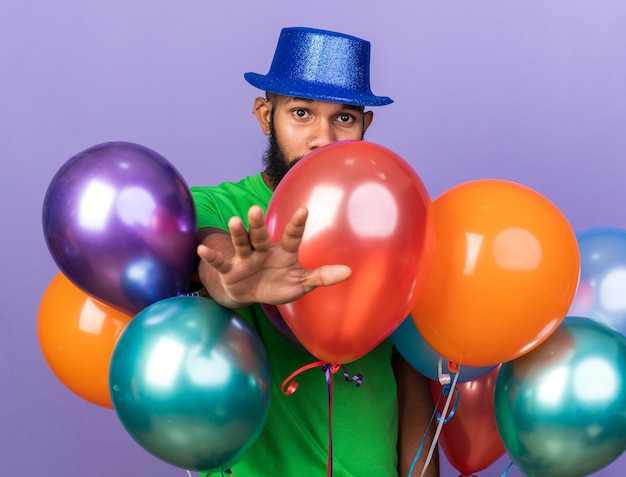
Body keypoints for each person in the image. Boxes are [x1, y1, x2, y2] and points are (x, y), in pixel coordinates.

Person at [191, 27, 439, 477]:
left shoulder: (393, 215)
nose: (321, 138)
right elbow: (211, 254)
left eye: (343, 118)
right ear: (266, 116)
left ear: (365, 125)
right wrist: (230, 281)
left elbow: (410, 369)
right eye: (301, 113)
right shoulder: (214, 204)